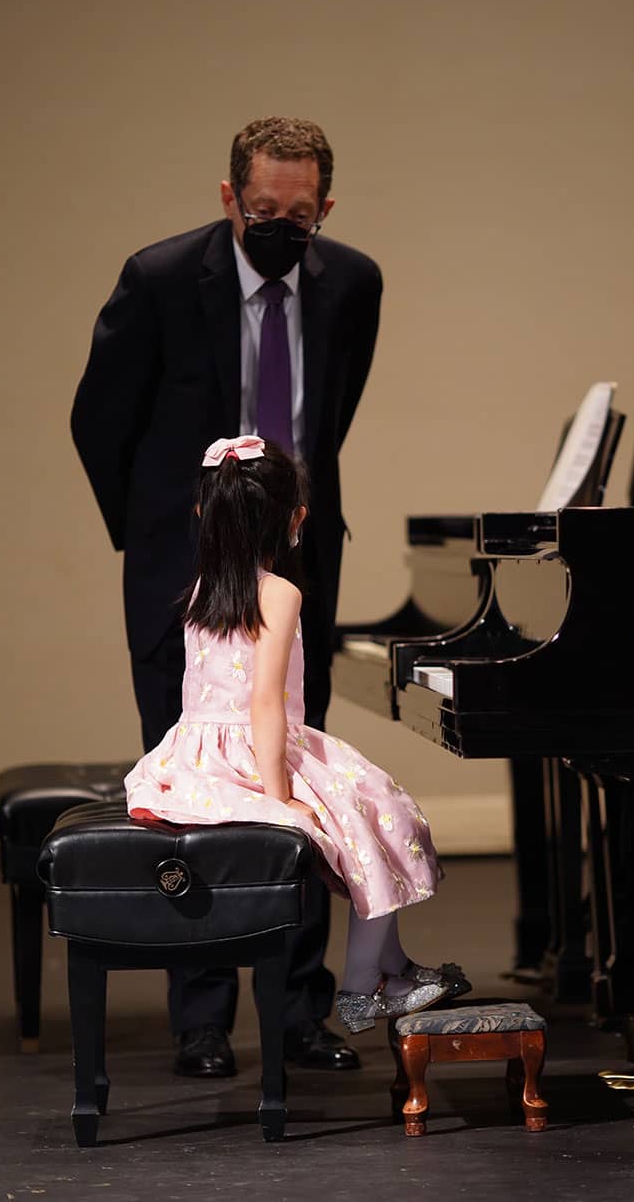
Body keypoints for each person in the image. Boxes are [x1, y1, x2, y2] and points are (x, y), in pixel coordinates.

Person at [72, 116, 382, 1075]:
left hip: (296, 571)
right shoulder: (162, 280)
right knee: (197, 798)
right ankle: (201, 1023)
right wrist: (167, 544)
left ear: (324, 209)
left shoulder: (354, 284)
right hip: (183, 580)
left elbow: (327, 417)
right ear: (227, 199)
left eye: (299, 214)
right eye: (261, 211)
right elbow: (99, 421)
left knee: (298, 788)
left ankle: (297, 1014)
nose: (280, 225)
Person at [124, 436, 469, 1031]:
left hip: (196, 757)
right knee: (383, 811)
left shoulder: (202, 589)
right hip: (258, 753)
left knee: (366, 808)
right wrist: (279, 796)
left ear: (207, 514)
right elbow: (263, 701)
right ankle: (364, 985)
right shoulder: (280, 593)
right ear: (296, 521)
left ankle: (392, 966)